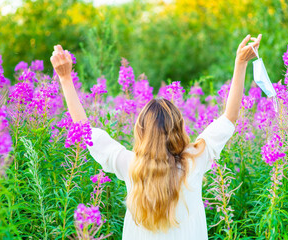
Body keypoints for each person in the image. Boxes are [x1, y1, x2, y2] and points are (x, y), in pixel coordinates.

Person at [50, 34, 262, 240]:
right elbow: (230, 118)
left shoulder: (130, 165)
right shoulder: (194, 160)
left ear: (141, 132)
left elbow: (83, 128)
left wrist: (65, 78)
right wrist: (240, 63)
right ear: (179, 128)